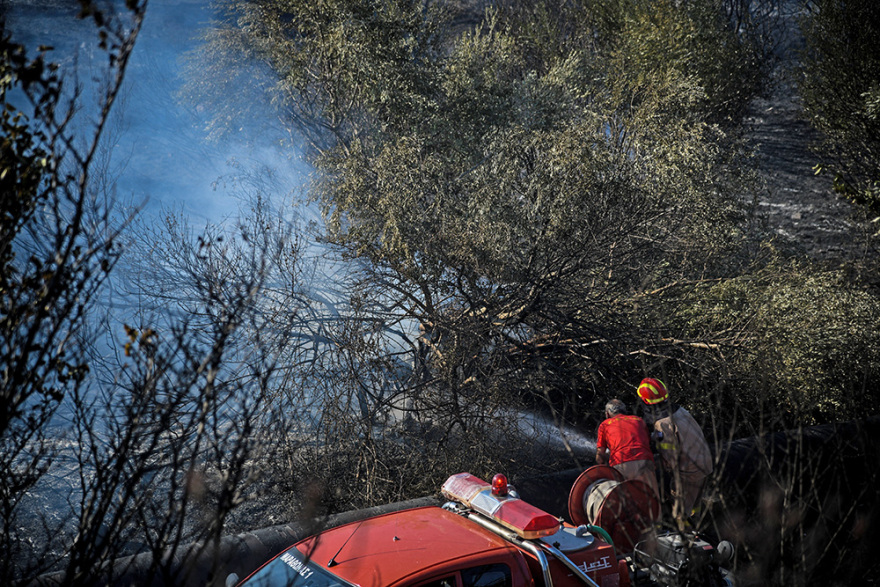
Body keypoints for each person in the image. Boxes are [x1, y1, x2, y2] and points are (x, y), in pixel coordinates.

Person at [637, 377, 713, 523]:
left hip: (689, 471)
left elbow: (670, 456)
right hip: (705, 462)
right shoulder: (680, 411)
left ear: (645, 401)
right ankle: (697, 527)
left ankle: (684, 538)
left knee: (681, 510)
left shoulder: (662, 423)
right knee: (695, 504)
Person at [595, 398, 659, 498]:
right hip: (645, 461)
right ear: (625, 411)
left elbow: (600, 457)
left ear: (607, 414)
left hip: (621, 463)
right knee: (652, 499)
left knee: (629, 502)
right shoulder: (639, 420)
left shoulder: (605, 425)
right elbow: (646, 442)